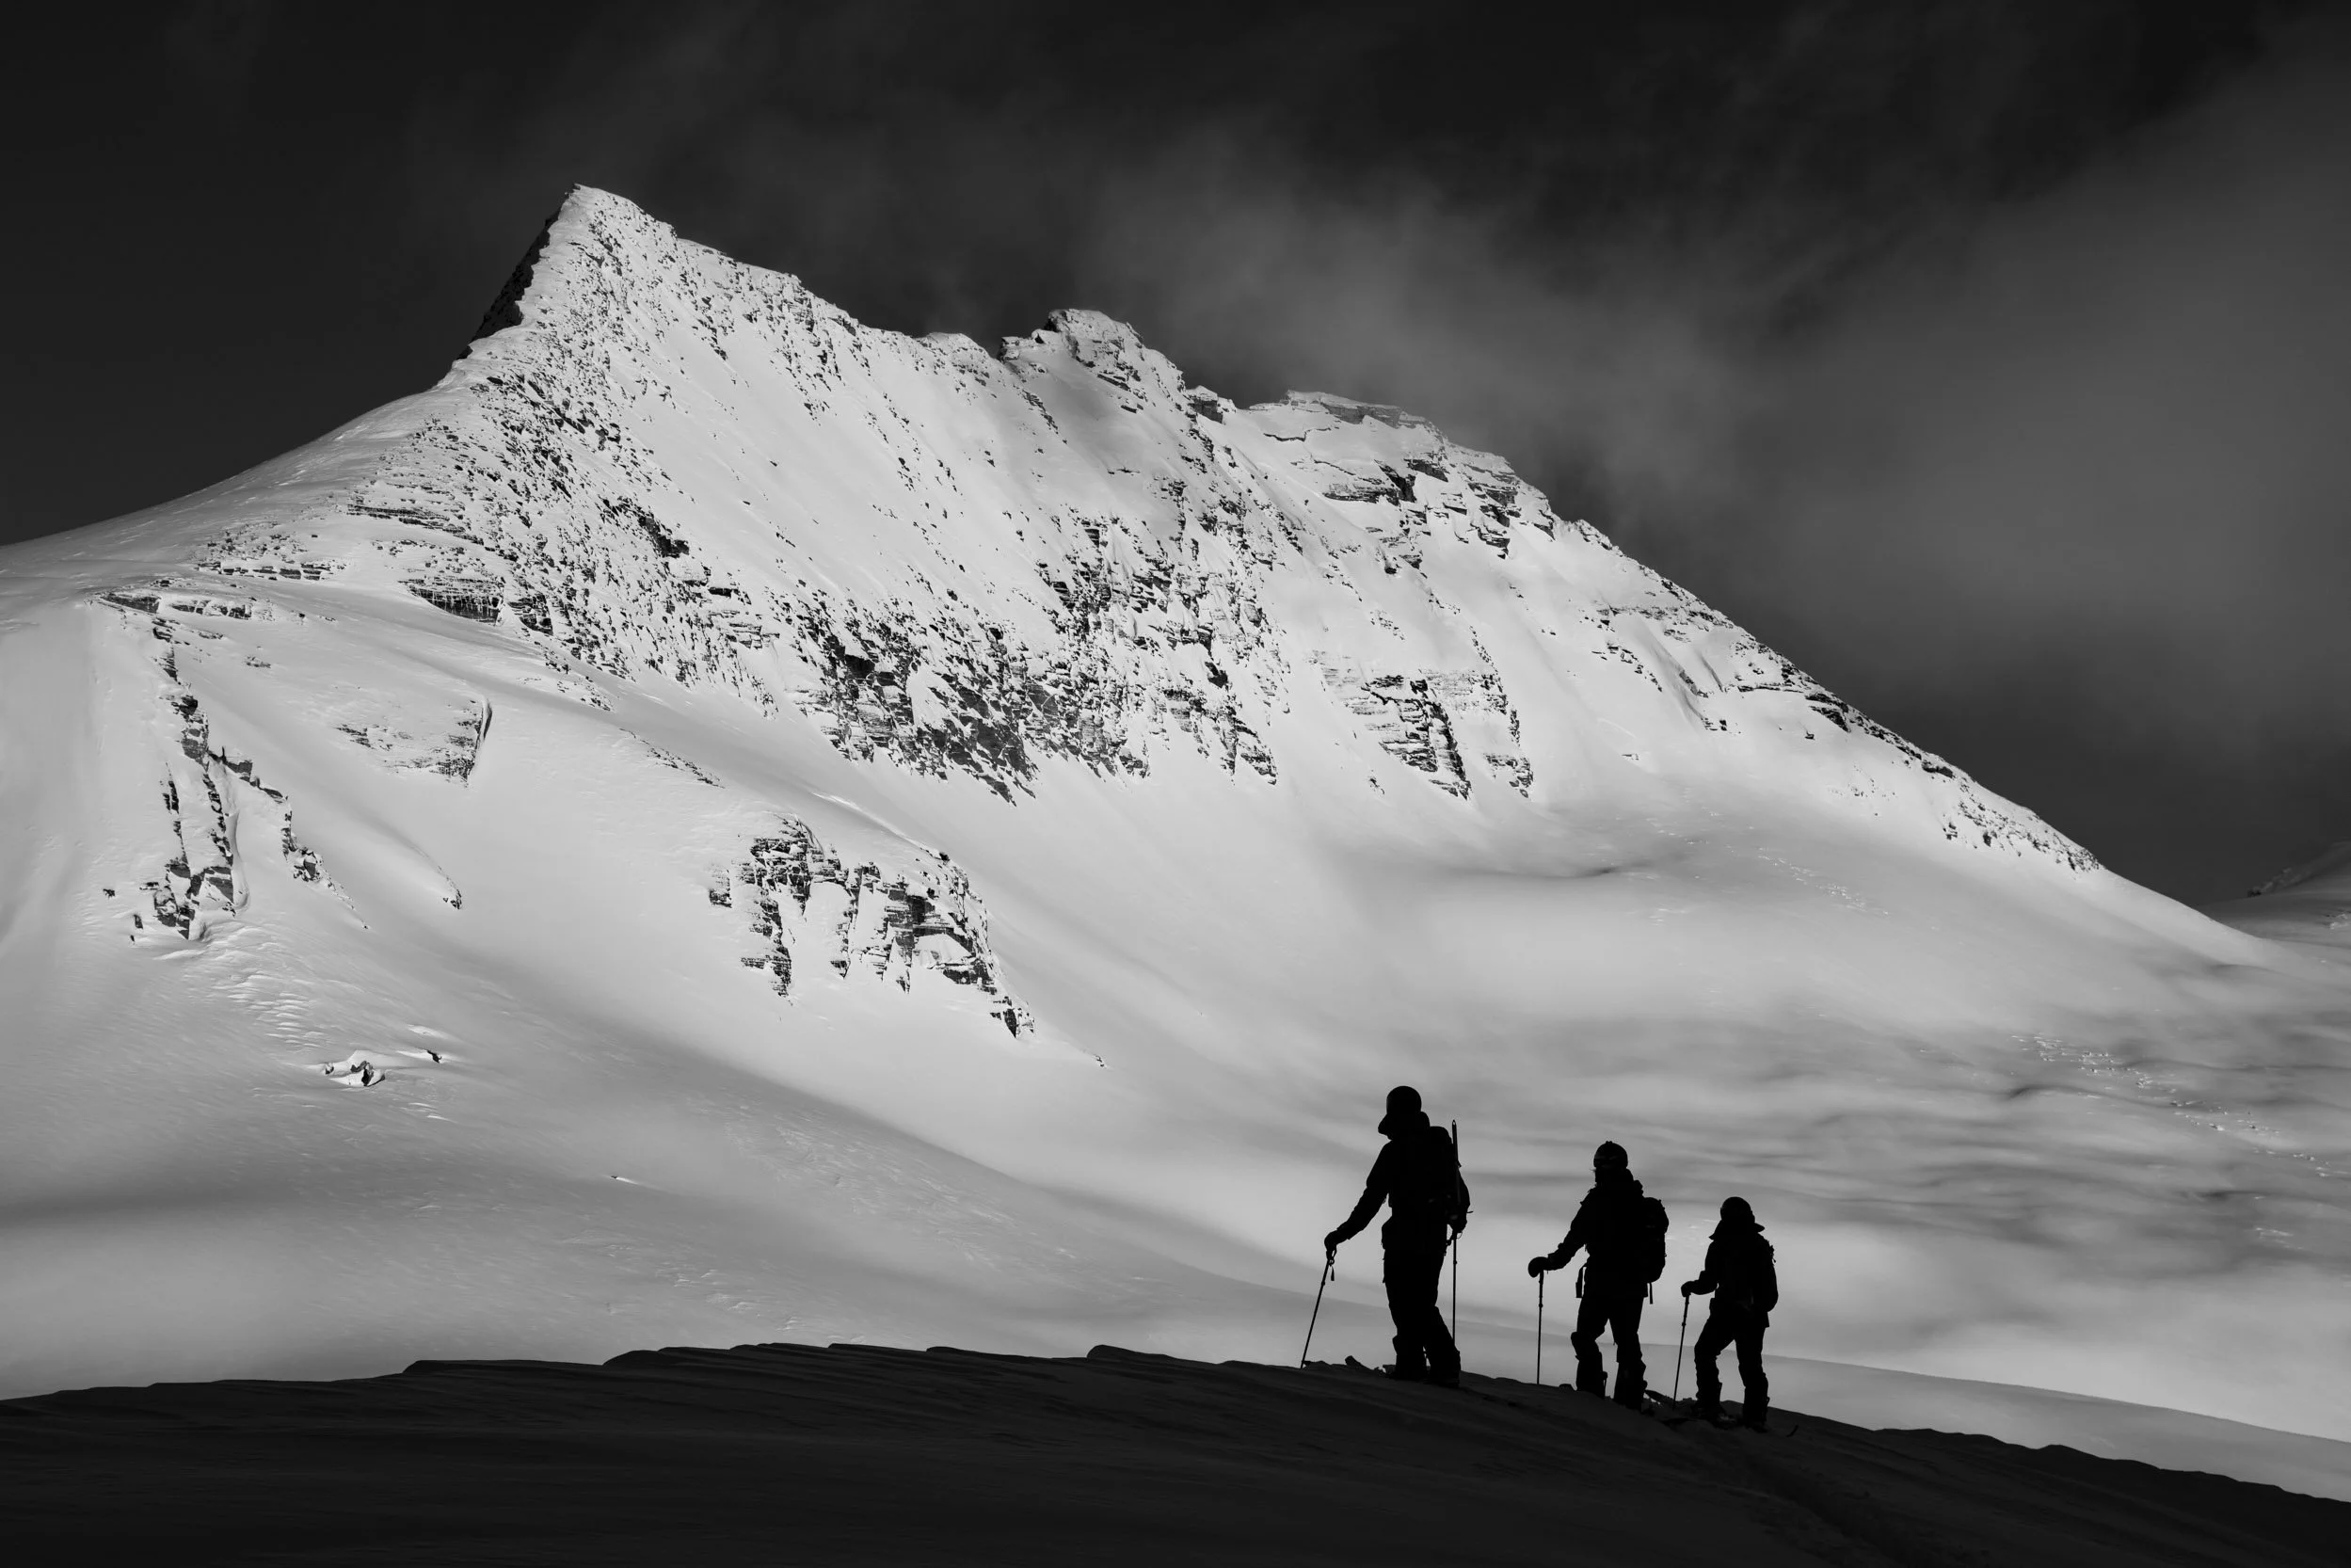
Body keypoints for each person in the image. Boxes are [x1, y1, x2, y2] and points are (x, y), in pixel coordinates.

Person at [1325, 1085, 1469, 1386]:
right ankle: (1437, 1365)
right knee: (1421, 1302)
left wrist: (1342, 1234)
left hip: (1405, 1238)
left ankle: (1418, 1365)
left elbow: (1371, 1200)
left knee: (1405, 1303)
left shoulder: (1396, 1151)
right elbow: (1461, 1196)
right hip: (1432, 1239)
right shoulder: (1439, 1148)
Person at [1527, 1142, 1668, 1408]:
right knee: (1627, 1343)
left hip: (1602, 1281)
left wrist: (1551, 1262)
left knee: (1586, 1337)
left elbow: (1574, 1238)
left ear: (1603, 1167)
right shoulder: (1638, 1203)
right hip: (1631, 1284)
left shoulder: (1599, 1201)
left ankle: (1591, 1395)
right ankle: (1629, 1399)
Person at [1681, 1195, 1778, 1430]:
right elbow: (1770, 1292)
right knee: (1750, 1364)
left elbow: (1709, 1282)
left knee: (1705, 1351)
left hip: (1726, 1313)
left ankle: (1708, 1404)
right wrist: (1757, 1307)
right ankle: (1755, 1416)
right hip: (1753, 1316)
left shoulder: (1722, 1244)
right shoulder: (1759, 1245)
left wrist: (1691, 1287)